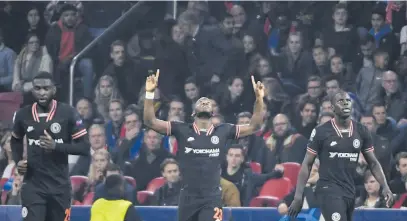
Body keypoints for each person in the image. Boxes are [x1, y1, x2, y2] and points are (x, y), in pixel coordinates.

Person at [143, 69, 265, 221]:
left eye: (208, 102)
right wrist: (149, 94)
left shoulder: (224, 130)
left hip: (212, 198)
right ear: (193, 112)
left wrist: (259, 99)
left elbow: (255, 126)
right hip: (187, 197)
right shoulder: (182, 129)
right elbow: (150, 121)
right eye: (201, 101)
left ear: (213, 113)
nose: (205, 102)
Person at [288, 90, 394, 221]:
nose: (345, 104)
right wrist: (298, 196)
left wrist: (385, 186)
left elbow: (372, 162)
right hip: (328, 189)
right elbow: (307, 164)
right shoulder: (321, 131)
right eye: (340, 102)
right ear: (333, 108)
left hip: (350, 189)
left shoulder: (361, 131)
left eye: (347, 102)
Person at [11, 71, 90, 221]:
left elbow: (84, 148)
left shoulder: (68, 113)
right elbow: (15, 140)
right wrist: (18, 161)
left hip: (59, 187)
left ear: (54, 89)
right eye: (38, 88)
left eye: (46, 88)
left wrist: (55, 146)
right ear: (32, 90)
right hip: (33, 186)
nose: (42, 92)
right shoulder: (23, 115)